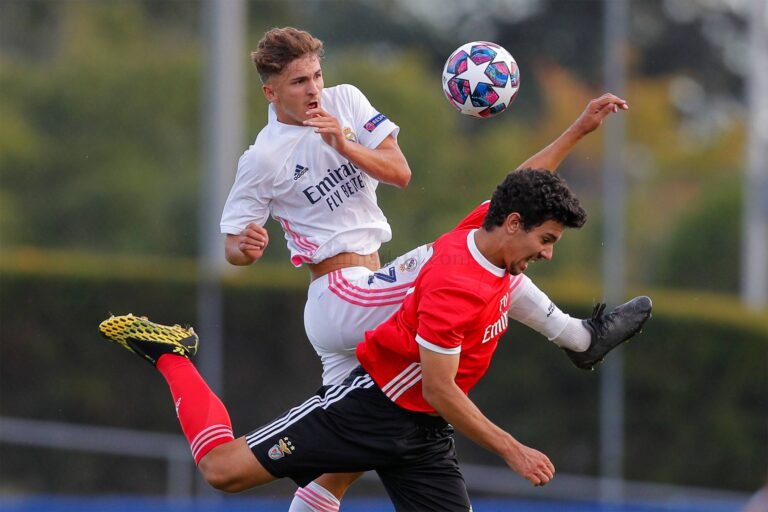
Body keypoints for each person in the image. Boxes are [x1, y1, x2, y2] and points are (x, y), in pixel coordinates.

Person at [220, 25, 633, 512]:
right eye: (298, 82)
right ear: (270, 92)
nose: (314, 89)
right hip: (341, 297)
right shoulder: (263, 157)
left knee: (352, 454)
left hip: (369, 293)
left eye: (316, 75)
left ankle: (578, 338)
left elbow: (400, 172)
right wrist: (247, 246)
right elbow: (233, 247)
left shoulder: (345, 102)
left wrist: (344, 144)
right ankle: (577, 337)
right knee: (479, 253)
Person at [99, 169, 653, 511]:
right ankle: (175, 355)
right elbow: (439, 389)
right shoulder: (454, 285)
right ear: (511, 224)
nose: (547, 254)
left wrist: (579, 129)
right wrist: (513, 449)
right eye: (546, 240)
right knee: (222, 471)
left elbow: (528, 178)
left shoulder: (487, 231)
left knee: (328, 491)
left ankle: (579, 339)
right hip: (370, 409)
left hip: (423, 434)